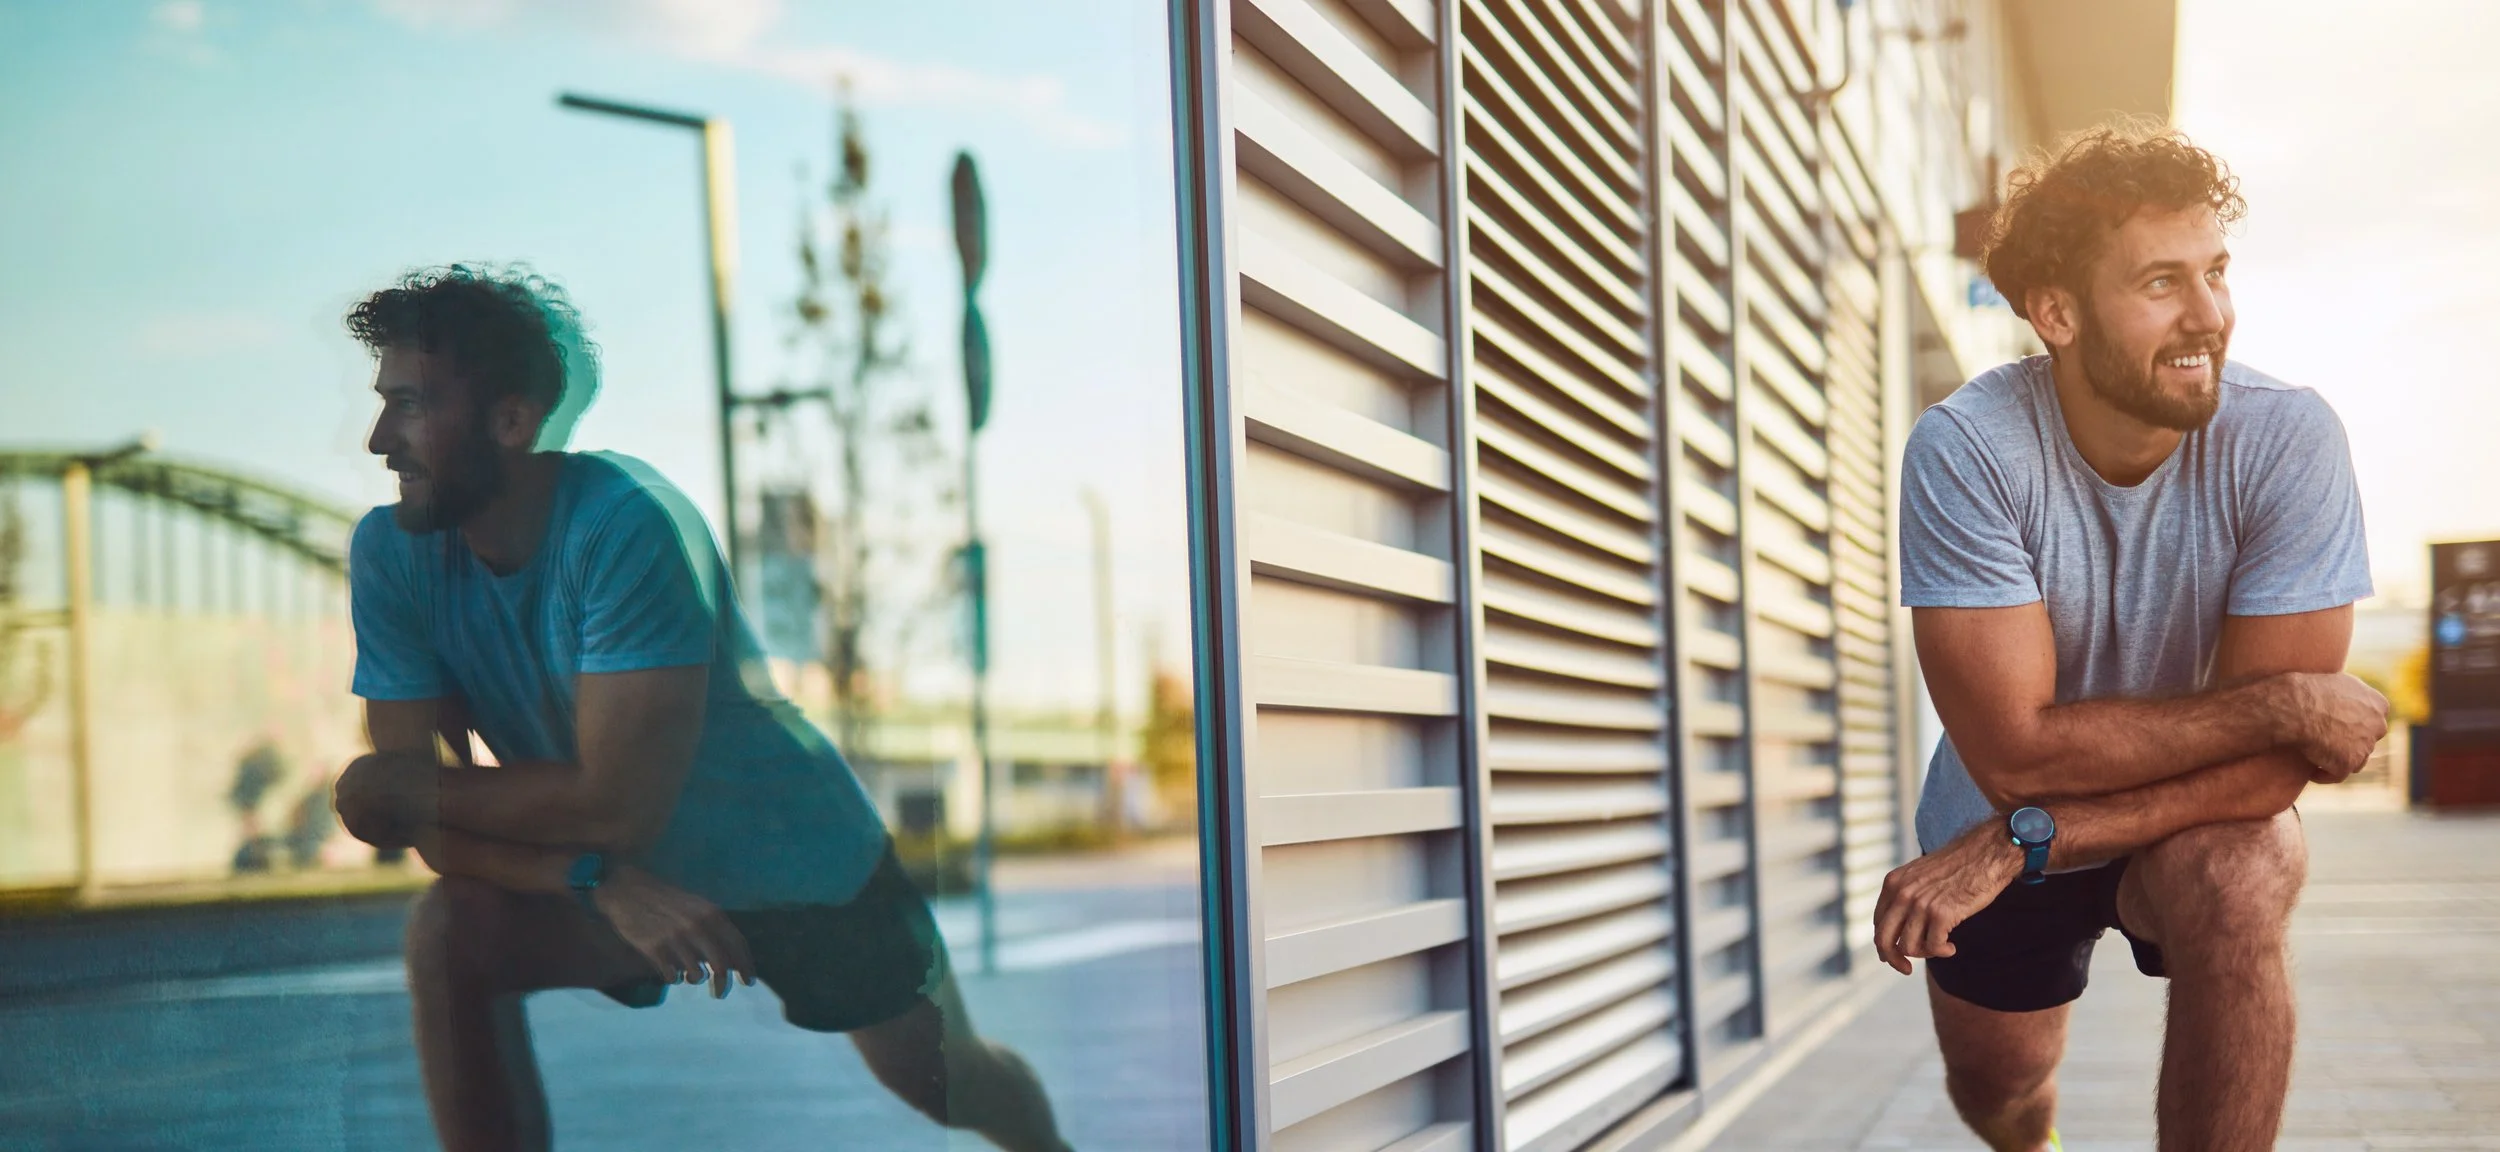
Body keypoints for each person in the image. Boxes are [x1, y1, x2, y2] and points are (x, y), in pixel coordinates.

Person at [329, 265, 1073, 1152]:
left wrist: (402, 788)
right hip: (618, 880)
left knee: (954, 1084)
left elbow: (601, 804)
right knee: (450, 931)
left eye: (411, 405)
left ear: (512, 420)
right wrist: (588, 876)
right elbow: (431, 827)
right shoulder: (390, 555)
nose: (381, 438)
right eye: (385, 402)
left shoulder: (625, 524)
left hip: (802, 867)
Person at [1868, 124, 2390, 1152]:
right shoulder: (1969, 451)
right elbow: (2016, 754)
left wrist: (2026, 841)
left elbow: (2268, 775)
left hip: (2084, 832)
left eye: (2215, 273)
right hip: (1988, 814)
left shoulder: (2288, 438)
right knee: (2000, 1088)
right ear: (2055, 314)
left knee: (2240, 874)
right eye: (2160, 282)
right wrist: (2280, 703)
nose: (2207, 317)